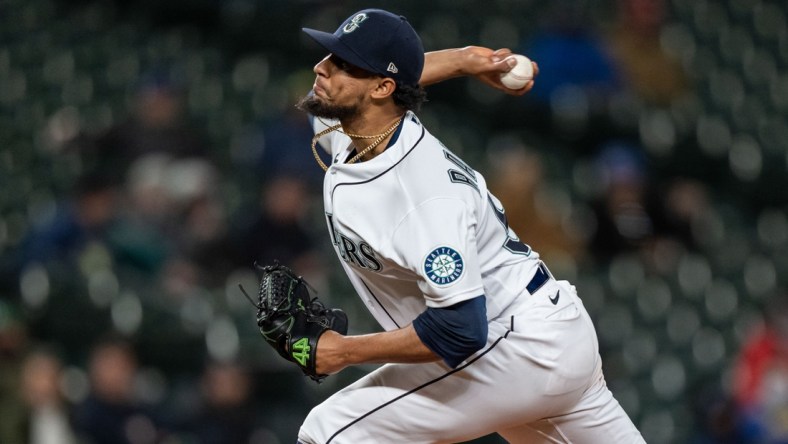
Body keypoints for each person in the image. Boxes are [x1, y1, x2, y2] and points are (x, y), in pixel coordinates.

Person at [293, 9, 644, 443]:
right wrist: (461, 60)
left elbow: (460, 329)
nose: (320, 69)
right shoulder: (359, 127)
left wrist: (343, 351)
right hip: (544, 336)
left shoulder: (422, 195)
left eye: (341, 63)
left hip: (517, 347)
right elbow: (383, 84)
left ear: (383, 88)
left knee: (329, 433)